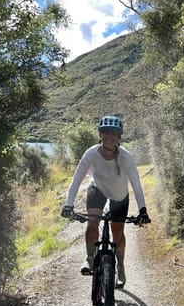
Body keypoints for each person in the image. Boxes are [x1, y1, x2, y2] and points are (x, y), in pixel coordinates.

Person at [61, 115, 151, 288]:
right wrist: (68, 205)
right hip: (98, 190)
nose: (109, 137)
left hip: (119, 196)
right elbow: (76, 179)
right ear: (100, 135)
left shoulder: (125, 157)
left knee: (117, 232)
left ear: (119, 138)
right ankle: (89, 259)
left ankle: (121, 267)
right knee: (92, 222)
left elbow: (137, 185)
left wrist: (143, 210)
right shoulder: (91, 154)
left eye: (114, 134)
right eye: (106, 133)